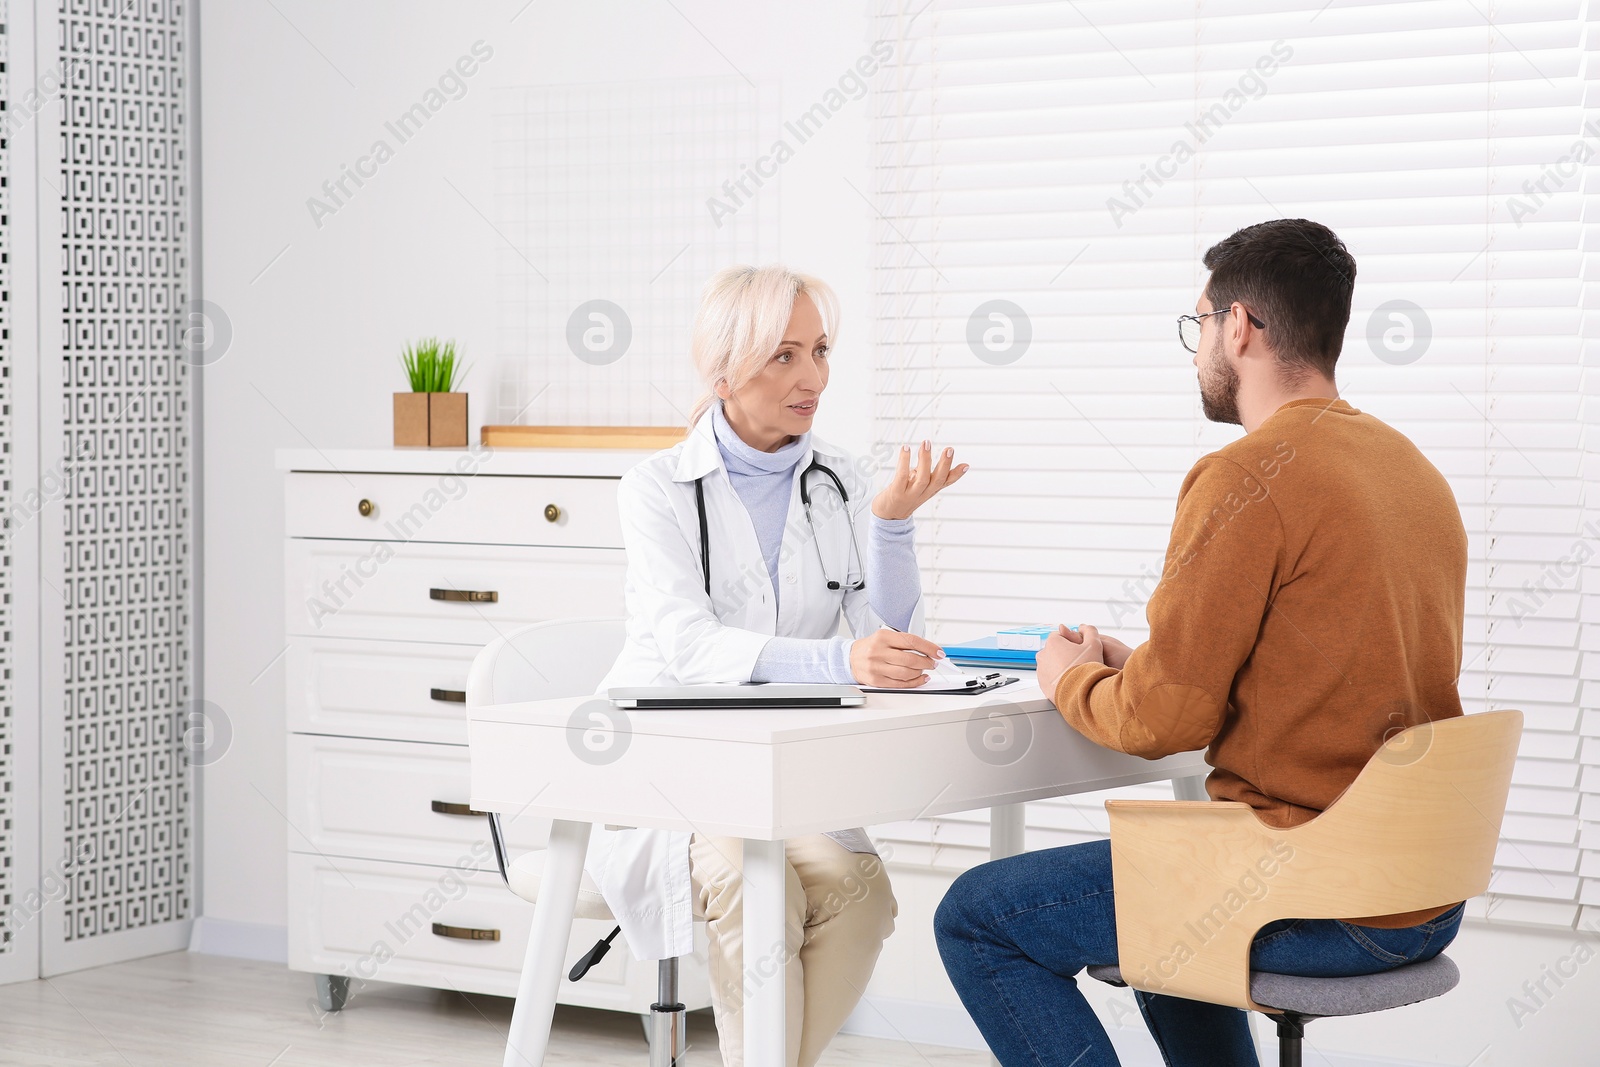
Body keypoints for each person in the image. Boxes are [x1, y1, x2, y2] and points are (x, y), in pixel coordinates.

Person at [933, 219, 1470, 1067]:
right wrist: (1136, 662)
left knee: (976, 915)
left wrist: (1069, 676)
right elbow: (1316, 665)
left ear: (1240, 325)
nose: (1197, 352)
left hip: (1314, 888)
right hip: (1420, 891)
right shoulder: (1411, 471)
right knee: (1163, 890)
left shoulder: (1248, 475)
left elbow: (1162, 723)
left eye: (1199, 327)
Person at [593, 264, 969, 1066]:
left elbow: (891, 641)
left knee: (860, 896)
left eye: (822, 351)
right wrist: (844, 657)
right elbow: (692, 649)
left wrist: (893, 528)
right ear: (724, 370)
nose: (815, 378)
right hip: (676, 768)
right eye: (785, 356)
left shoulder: (841, 479)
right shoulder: (657, 488)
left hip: (780, 774)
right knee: (758, 892)